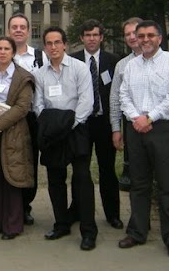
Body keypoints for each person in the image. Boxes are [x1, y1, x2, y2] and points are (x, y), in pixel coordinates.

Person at [118, 20, 169, 258]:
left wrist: (150, 118)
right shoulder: (132, 66)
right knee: (139, 184)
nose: (145, 39)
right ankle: (137, 231)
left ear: (159, 38)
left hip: (163, 129)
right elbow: (123, 95)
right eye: (141, 35)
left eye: (150, 35)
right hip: (136, 129)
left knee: (167, 186)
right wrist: (136, 117)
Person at [33, 26, 97, 251]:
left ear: (65, 44)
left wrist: (69, 124)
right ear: (44, 47)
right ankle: (61, 224)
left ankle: (88, 231)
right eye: (49, 43)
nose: (53, 47)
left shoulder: (80, 69)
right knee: (55, 180)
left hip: (76, 130)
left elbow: (86, 102)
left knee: (82, 180)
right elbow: (38, 105)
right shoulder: (40, 74)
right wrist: (53, 126)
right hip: (52, 133)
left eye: (57, 42)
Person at [0, 13, 47, 225]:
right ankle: (4, 213)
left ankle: (25, 207)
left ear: (28, 31)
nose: (19, 30)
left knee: (26, 164)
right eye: (14, 27)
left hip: (28, 117)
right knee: (1, 166)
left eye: (23, 27)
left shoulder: (39, 56)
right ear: (9, 30)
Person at [0, 36, 34, 240]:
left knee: (11, 178)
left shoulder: (23, 77)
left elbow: (22, 107)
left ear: (13, 52)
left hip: (13, 133)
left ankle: (13, 225)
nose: (2, 52)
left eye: (6, 49)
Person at [70, 20, 121, 229]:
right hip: (81, 123)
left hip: (103, 122)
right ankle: (77, 210)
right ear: (81, 38)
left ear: (101, 37)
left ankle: (112, 214)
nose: (91, 38)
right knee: (79, 170)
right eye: (87, 35)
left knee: (107, 169)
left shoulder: (113, 61)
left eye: (95, 35)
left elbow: (117, 94)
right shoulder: (72, 61)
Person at [109, 17, 143, 190]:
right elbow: (116, 99)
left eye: (135, 32)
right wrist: (116, 128)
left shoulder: (168, 60)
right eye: (127, 34)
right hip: (132, 125)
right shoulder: (122, 65)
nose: (131, 37)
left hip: (160, 126)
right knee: (134, 177)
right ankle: (136, 216)